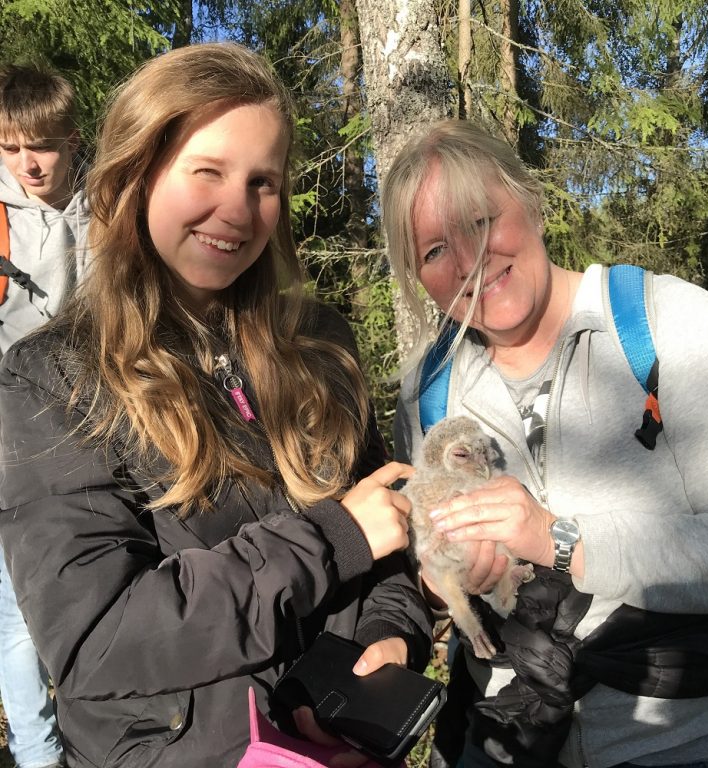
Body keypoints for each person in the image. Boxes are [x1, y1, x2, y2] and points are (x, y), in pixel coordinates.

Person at [0, 42, 432, 768]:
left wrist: (388, 640)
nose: (237, 209)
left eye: (263, 181)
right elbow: (99, 639)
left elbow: (383, 527)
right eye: (208, 172)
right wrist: (331, 539)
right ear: (138, 174)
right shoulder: (53, 379)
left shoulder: (320, 345)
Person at [383, 119, 708, 768]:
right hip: (514, 740)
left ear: (530, 201)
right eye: (433, 250)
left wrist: (560, 538)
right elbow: (430, 559)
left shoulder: (665, 322)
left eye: (481, 221)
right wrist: (452, 572)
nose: (469, 261)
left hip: (698, 742)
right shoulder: (428, 391)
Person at [0, 62, 89, 768]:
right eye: (8, 147)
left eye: (43, 145)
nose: (27, 162)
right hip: (10, 437)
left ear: (72, 139)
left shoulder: (113, 205)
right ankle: (37, 758)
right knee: (18, 621)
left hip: (103, 430)